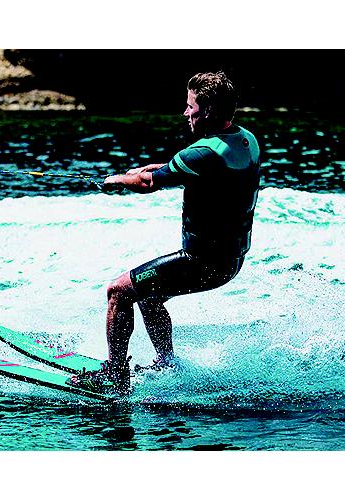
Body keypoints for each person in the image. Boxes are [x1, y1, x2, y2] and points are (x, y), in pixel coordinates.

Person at [90, 71, 260, 394]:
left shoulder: (202, 154)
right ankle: (166, 364)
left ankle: (114, 377)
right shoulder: (245, 140)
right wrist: (144, 170)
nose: (185, 113)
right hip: (231, 261)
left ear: (208, 111)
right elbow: (187, 169)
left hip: (201, 262)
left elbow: (149, 183)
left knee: (119, 291)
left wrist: (117, 181)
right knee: (149, 295)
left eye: (190, 107)